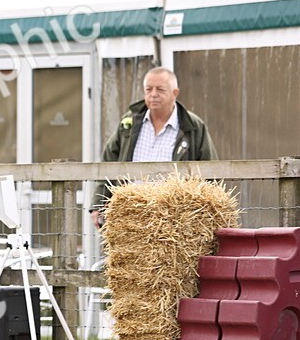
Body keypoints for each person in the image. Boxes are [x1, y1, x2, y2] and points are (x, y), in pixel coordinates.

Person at [89, 67, 217, 227]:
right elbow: (108, 163)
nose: (153, 94)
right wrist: (98, 204)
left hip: (173, 218)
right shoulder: (129, 123)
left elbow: (211, 171)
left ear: (175, 93)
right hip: (129, 214)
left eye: (160, 89)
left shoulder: (193, 127)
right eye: (148, 89)